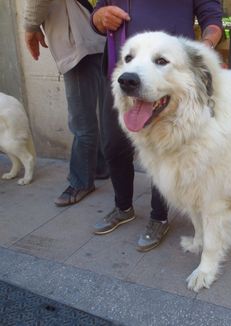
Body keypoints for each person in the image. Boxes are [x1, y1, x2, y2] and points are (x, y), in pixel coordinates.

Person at [90, 1, 223, 252]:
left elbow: (212, 15)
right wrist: (99, 17)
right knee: (113, 146)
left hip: (168, 76)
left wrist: (202, 50)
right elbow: (98, 13)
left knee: (166, 152)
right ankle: (123, 207)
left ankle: (159, 217)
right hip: (123, 75)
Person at [24, 0, 109, 206]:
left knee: (81, 120)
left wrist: (30, 26)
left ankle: (81, 181)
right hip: (94, 36)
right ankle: (98, 166)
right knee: (91, 112)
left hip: (77, 39)